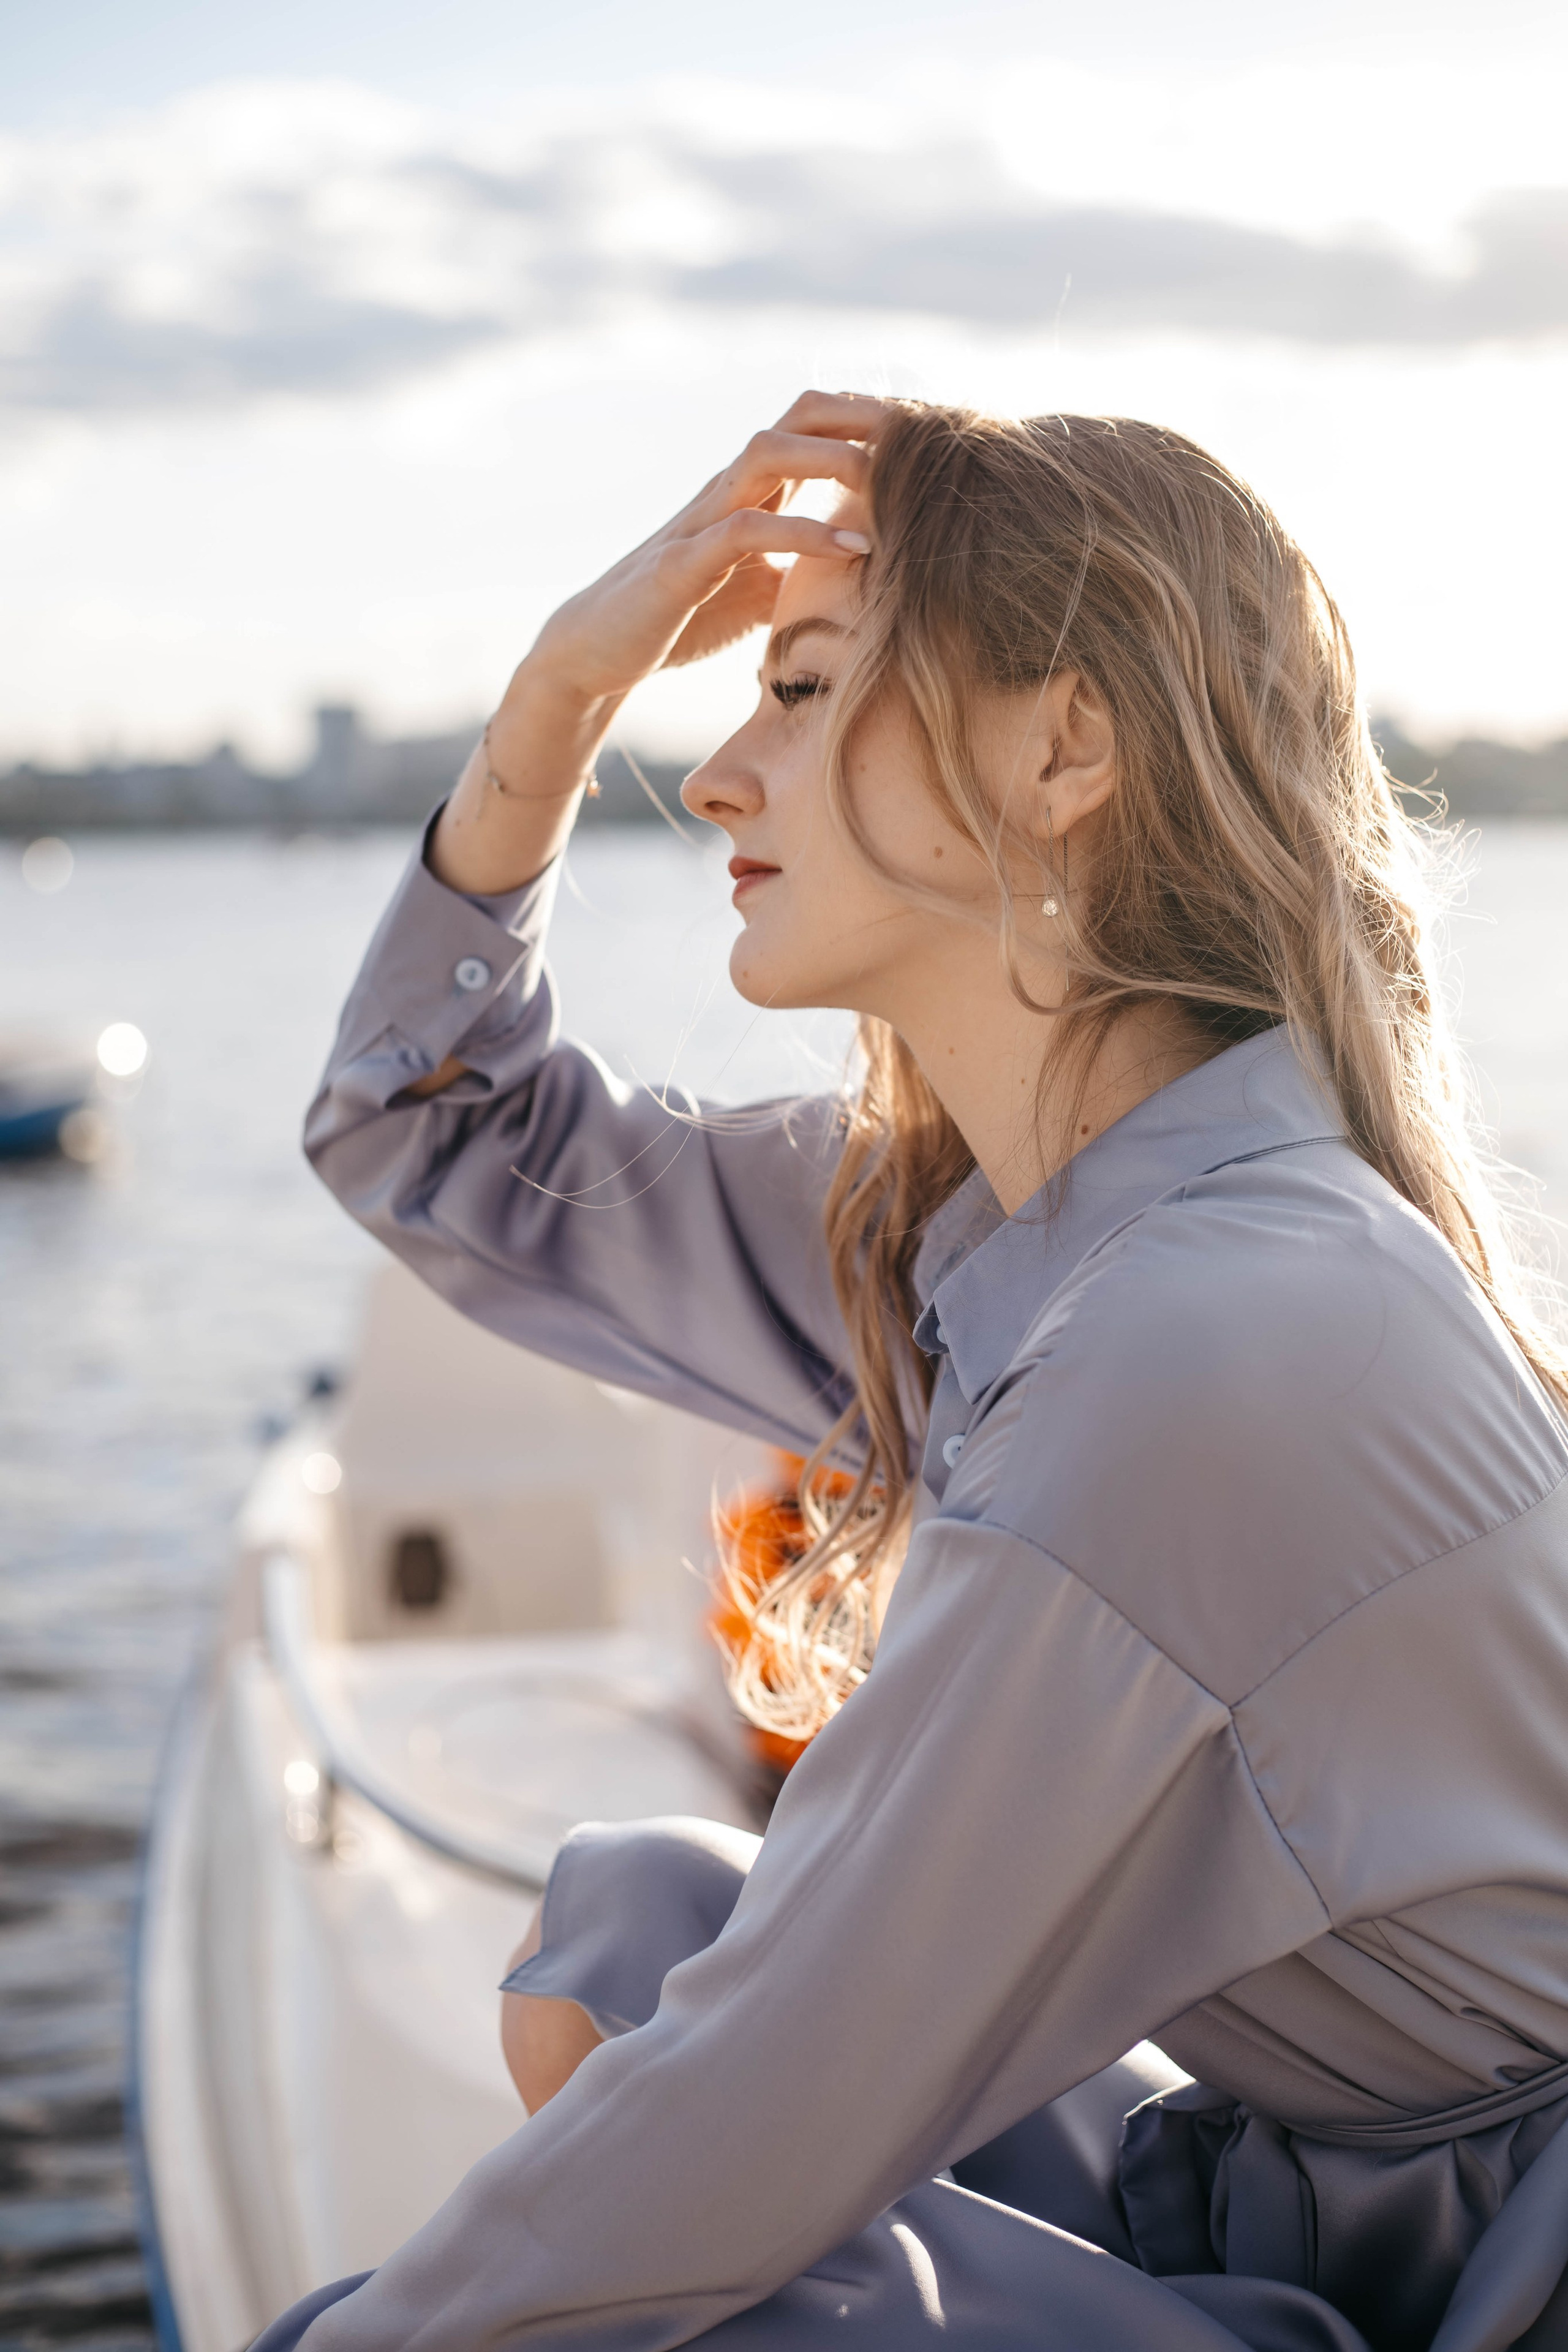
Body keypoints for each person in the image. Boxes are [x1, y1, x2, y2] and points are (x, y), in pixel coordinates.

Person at [263, 393, 1568, 2352]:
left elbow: (738, 2127)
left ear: (1062, 749)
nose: (713, 779)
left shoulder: (1215, 1346)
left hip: (1483, 2291)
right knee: (629, 1929)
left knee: (690, 2224)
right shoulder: (986, 1229)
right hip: (1297, 2190)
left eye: (799, 689)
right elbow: (427, 1135)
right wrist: (559, 692)